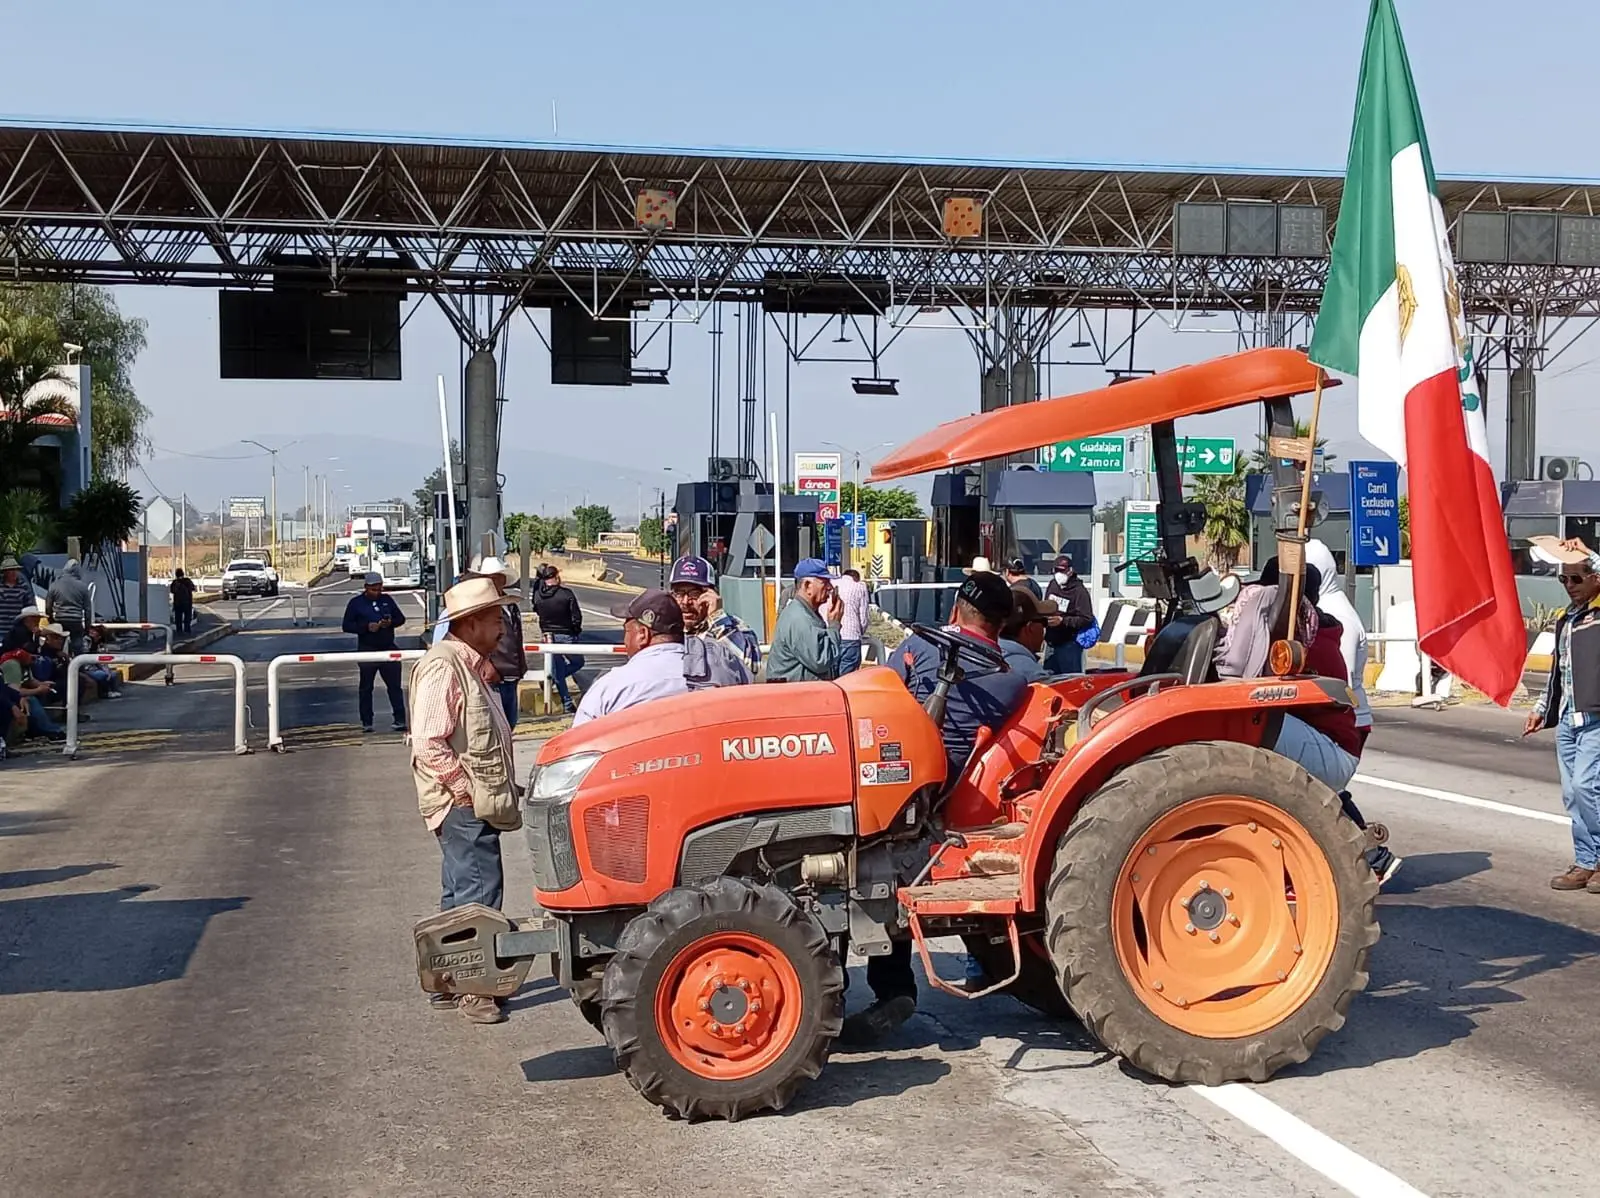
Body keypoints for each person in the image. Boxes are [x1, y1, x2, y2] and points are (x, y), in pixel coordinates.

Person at [843, 570, 1030, 1043]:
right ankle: (889, 987)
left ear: (954, 610)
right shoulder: (1014, 681)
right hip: (946, 783)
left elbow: (879, 695)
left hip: (911, 782)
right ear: (1002, 624)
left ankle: (851, 984)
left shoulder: (916, 648)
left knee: (852, 851)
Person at [408, 576, 520, 1025]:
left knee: (459, 891)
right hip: (462, 805)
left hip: (465, 803)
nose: (502, 628)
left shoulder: (467, 664)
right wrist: (464, 790)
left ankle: (447, 981)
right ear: (470, 623)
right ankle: (476, 990)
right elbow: (429, 742)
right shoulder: (446, 666)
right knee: (478, 894)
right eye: (494, 619)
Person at [1304, 540, 1397, 882]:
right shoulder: (1323, 609)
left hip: (1346, 718)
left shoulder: (1335, 616)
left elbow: (1336, 678)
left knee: (1323, 791)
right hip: (1342, 715)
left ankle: (1372, 856)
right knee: (1324, 791)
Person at [1524, 540, 1600, 893]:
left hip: (1595, 716)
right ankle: (1585, 861)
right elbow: (1560, 670)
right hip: (1570, 715)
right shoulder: (1566, 619)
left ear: (1595, 578)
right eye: (1564, 579)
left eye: (1576, 578)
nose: (1569, 585)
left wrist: (1587, 553)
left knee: (1587, 786)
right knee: (1572, 793)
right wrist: (1542, 708)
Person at [572, 590, 690, 726]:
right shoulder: (707, 679)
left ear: (642, 635)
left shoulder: (611, 687)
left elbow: (579, 736)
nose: (625, 640)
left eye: (627, 631)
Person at [667, 554, 761, 674]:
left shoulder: (735, 627)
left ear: (712, 595)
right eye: (679, 594)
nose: (686, 602)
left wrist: (718, 620)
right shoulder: (664, 628)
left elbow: (752, 667)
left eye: (694, 594)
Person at [465, 555, 528, 730]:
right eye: (491, 578)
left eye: (499, 577)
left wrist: (520, 666)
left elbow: (516, 637)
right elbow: (474, 638)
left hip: (512, 672)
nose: (495, 581)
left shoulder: (511, 605)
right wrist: (485, 663)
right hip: (494, 673)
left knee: (509, 723)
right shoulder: (481, 606)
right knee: (494, 725)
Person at [341, 571, 408, 733]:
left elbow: (401, 618)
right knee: (366, 688)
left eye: (379, 589)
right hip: (367, 649)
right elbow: (346, 625)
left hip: (388, 647)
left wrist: (390, 623)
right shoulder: (356, 603)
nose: (377, 592)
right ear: (366, 587)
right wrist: (366, 627)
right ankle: (367, 721)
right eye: (373, 589)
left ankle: (400, 719)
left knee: (394, 687)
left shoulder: (387, 600)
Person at [766, 559, 842, 683]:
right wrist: (834, 625)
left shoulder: (805, 613)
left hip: (799, 690)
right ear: (807, 586)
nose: (830, 587)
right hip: (794, 692)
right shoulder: (799, 618)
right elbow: (821, 660)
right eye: (824, 582)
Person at [532, 565, 584, 714]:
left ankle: (565, 699)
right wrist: (575, 630)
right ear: (556, 577)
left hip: (548, 636)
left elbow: (536, 609)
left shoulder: (538, 595)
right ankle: (559, 687)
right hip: (566, 635)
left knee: (558, 667)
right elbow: (576, 616)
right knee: (578, 662)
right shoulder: (566, 594)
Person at [1042, 554, 1094, 675]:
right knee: (1049, 679)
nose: (1058, 574)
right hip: (1051, 643)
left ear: (1070, 571)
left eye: (1062, 570)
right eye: (1056, 570)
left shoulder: (1079, 591)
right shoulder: (1053, 585)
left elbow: (1086, 618)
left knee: (1070, 679)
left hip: (1069, 644)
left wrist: (1062, 621)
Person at [0, 647, 65, 741]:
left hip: (10, 696)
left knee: (50, 691)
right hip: (7, 698)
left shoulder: (26, 664)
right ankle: (50, 730)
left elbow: (29, 680)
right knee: (31, 699)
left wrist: (42, 685)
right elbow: (14, 689)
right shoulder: (12, 665)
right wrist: (37, 690)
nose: (36, 660)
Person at [999, 587, 1051, 682]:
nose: (1044, 629)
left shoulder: (985, 656)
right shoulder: (1033, 675)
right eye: (1044, 622)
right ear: (1030, 627)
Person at [46, 560, 93, 657]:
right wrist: (87, 628)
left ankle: (61, 662)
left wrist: (51, 621)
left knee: (58, 646)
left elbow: (48, 606)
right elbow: (88, 610)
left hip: (60, 620)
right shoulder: (83, 587)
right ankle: (78, 663)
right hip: (76, 621)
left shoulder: (55, 585)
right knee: (78, 648)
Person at [834, 568, 872, 674]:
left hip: (832, 637)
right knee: (847, 677)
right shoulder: (859, 587)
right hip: (851, 636)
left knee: (831, 674)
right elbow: (863, 617)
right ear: (856, 578)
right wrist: (861, 632)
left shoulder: (832, 584)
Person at [0, 556, 33, 633]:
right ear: (5, 572)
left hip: (17, 630)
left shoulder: (24, 587)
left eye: (16, 569)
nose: (14, 572)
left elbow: (29, 607)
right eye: (11, 570)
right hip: (1, 628)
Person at [169, 568, 197, 636]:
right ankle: (187, 630)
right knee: (187, 617)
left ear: (176, 575)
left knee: (178, 617)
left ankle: (179, 631)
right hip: (187, 602)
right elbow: (193, 588)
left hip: (178, 603)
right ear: (183, 574)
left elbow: (172, 591)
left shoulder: (175, 582)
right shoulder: (187, 581)